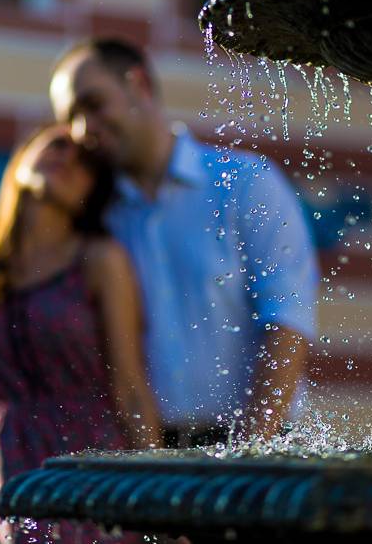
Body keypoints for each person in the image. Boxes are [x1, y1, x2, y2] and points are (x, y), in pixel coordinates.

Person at [49, 39, 319, 446]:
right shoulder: (99, 220)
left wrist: (246, 454)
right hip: (154, 455)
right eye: (71, 118)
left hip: (261, 448)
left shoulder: (245, 183)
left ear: (138, 83)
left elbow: (288, 322)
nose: (84, 129)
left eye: (94, 104)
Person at [0, 123, 161, 544]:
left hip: (80, 468)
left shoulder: (101, 261)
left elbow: (130, 388)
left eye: (85, 163)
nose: (67, 158)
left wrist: (161, 502)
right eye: (55, 145)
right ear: (20, 158)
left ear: (91, 194)